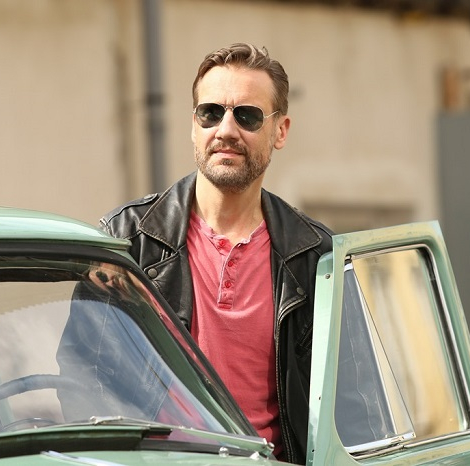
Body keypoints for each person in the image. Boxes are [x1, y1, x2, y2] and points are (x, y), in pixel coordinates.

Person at [99, 43, 333, 464]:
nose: (225, 130)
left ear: (280, 131)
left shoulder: (316, 256)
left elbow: (351, 400)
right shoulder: (126, 241)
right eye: (210, 113)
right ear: (194, 126)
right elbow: (83, 374)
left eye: (247, 116)